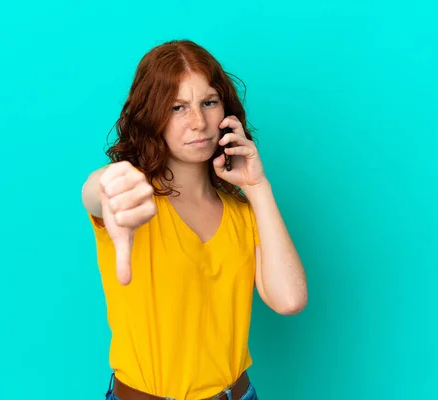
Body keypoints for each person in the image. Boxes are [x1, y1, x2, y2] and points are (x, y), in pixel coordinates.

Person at [81, 39, 308, 400]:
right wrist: (103, 186)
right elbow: (97, 193)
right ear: (151, 115)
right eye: (177, 107)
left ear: (226, 112)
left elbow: (290, 299)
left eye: (209, 102)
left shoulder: (243, 213)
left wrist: (258, 187)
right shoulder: (132, 202)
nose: (198, 122)